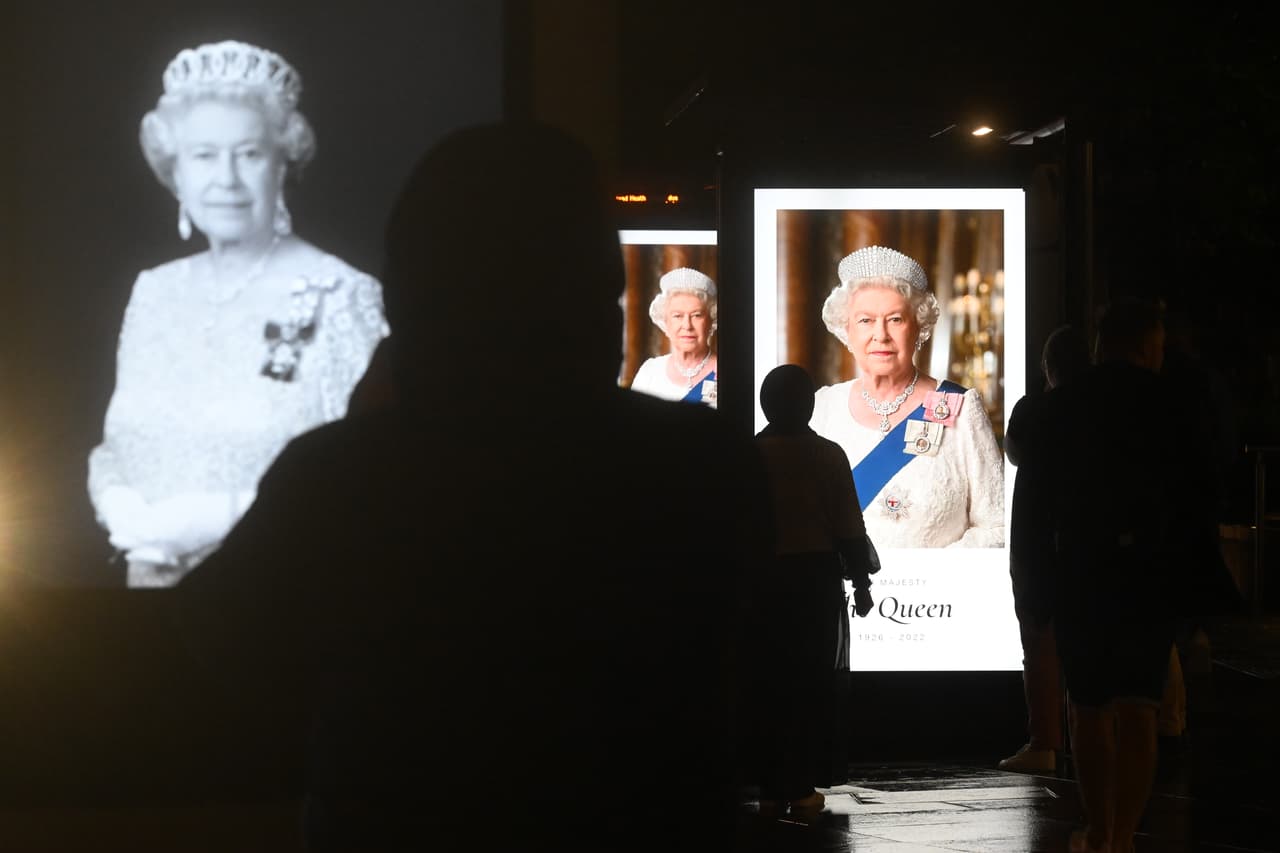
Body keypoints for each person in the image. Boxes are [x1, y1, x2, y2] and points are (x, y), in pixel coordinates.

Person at [176, 119, 773, 852]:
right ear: (598, 294)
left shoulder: (339, 480)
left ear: (410, 299)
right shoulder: (707, 465)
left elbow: (212, 672)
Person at [87, 40, 388, 587]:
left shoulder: (341, 294)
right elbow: (115, 449)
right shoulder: (153, 291)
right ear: (176, 173)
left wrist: (207, 523)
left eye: (248, 154)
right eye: (203, 155)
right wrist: (127, 516)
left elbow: (367, 478)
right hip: (145, 604)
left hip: (282, 607)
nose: (225, 178)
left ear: (282, 165)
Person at [1015, 298, 1228, 853]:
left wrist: (1039, 583)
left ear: (1099, 344)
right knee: (1139, 705)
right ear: (1145, 345)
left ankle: (1101, 827)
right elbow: (1199, 494)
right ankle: (1125, 834)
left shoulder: (1065, 406)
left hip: (1082, 570)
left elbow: (1041, 499)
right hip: (1149, 574)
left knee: (1087, 707)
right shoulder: (1171, 404)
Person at [810, 245, 1004, 548]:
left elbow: (999, 525)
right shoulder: (822, 408)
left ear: (919, 327)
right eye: (865, 320)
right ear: (846, 330)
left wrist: (929, 575)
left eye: (895, 319)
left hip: (939, 595)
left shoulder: (959, 406)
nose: (881, 335)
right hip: (844, 595)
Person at [750, 363, 877, 818]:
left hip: (760, 584)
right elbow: (849, 528)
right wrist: (861, 584)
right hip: (813, 582)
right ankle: (801, 786)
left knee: (765, 684)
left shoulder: (749, 454)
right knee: (808, 684)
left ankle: (768, 786)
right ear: (808, 404)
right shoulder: (828, 455)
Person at [999, 324, 1090, 774]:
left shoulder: (1033, 410)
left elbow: (1013, 454)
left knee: (1039, 642)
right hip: (1089, 538)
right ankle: (1085, 739)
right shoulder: (1102, 411)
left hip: (1037, 541)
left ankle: (1045, 742)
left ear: (1047, 367)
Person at [629, 266, 718, 407]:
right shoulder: (650, 372)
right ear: (666, 322)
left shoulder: (724, 373)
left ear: (711, 321)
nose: (687, 325)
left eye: (696, 315)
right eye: (678, 316)